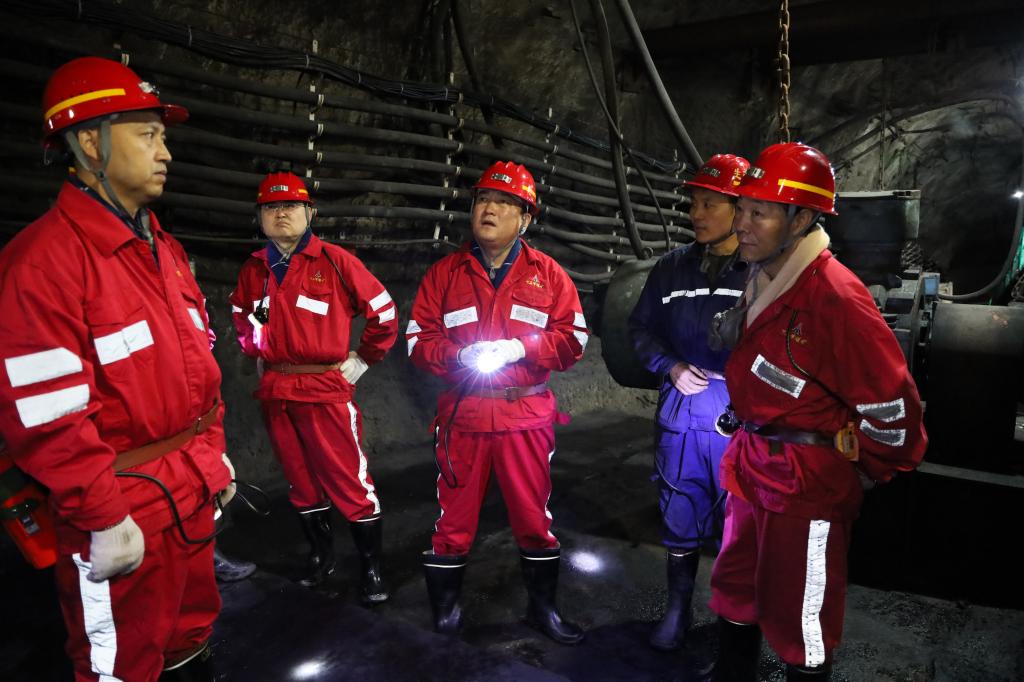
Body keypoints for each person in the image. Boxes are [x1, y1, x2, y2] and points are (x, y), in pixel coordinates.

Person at [0, 56, 234, 681]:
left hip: (188, 488)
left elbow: (202, 369)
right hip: (122, 506)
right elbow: (48, 415)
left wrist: (213, 457)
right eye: (148, 134)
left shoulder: (164, 250)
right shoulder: (43, 263)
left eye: (164, 137)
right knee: (120, 663)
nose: (166, 153)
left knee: (191, 635)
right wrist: (103, 517)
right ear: (89, 143)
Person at [707, 142, 928, 681]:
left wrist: (869, 468)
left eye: (759, 213)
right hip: (753, 462)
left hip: (805, 484)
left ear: (801, 219)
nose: (742, 225)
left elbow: (893, 407)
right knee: (735, 585)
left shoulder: (834, 296)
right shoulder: (764, 274)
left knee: (801, 616)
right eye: (742, 209)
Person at [408, 161, 588, 644]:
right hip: (463, 414)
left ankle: (543, 611)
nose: (490, 209)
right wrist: (457, 355)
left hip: (523, 415)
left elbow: (574, 341)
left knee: (533, 518)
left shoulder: (548, 275)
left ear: (525, 219)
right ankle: (446, 616)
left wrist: (521, 347)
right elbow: (417, 341)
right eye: (484, 199)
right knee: (452, 522)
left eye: (505, 203)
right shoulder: (445, 274)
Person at [229, 172, 397, 600]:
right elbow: (242, 316)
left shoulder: (335, 262)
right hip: (277, 389)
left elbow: (384, 312)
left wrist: (364, 357)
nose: (280, 214)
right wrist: (257, 348)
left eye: (290, 206)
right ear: (260, 217)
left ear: (310, 212)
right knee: (300, 482)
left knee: (349, 480)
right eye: (270, 207)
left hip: (324, 389)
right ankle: (322, 558)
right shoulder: (255, 269)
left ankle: (372, 569)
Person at [628, 153, 750, 651]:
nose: (696, 214)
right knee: (679, 511)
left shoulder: (764, 270)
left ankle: (730, 629)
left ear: (741, 208)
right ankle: (677, 612)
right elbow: (640, 328)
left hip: (740, 413)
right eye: (693, 203)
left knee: (738, 525)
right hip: (683, 406)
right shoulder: (671, 268)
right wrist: (671, 366)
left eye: (709, 204)